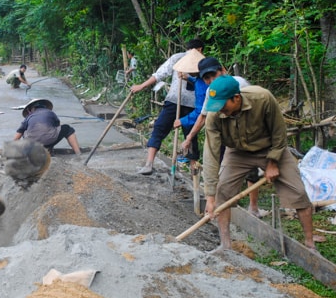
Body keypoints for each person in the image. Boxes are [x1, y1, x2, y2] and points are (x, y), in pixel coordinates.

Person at [202, 75, 317, 253]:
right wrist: (210, 197)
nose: (220, 110)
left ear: (236, 98)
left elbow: (279, 133)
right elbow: (211, 154)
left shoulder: (263, 99)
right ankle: (225, 246)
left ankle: (310, 246)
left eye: (223, 105)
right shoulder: (214, 116)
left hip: (271, 147)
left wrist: (273, 162)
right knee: (221, 192)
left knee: (298, 193)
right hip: (238, 152)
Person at [180, 57, 264, 217]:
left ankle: (253, 207)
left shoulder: (241, 84)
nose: (211, 81)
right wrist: (189, 137)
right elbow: (204, 116)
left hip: (249, 131)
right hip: (226, 133)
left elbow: (257, 108)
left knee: (252, 167)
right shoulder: (211, 93)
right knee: (220, 164)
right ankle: (221, 202)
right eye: (207, 78)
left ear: (223, 70)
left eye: (214, 75)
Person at [130, 39, 204, 175]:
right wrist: (141, 86)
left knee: (191, 136)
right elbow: (160, 74)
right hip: (175, 100)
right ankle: (149, 164)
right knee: (161, 128)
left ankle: (194, 171)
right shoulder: (178, 58)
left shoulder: (203, 63)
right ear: (199, 49)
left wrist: (189, 78)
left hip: (193, 105)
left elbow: (205, 82)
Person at [14, 98, 81, 155]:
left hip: (32, 144)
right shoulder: (50, 113)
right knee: (68, 129)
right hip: (49, 141)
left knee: (25, 131)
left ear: (31, 109)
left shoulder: (28, 117)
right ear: (44, 106)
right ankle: (78, 153)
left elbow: (19, 133)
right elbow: (56, 128)